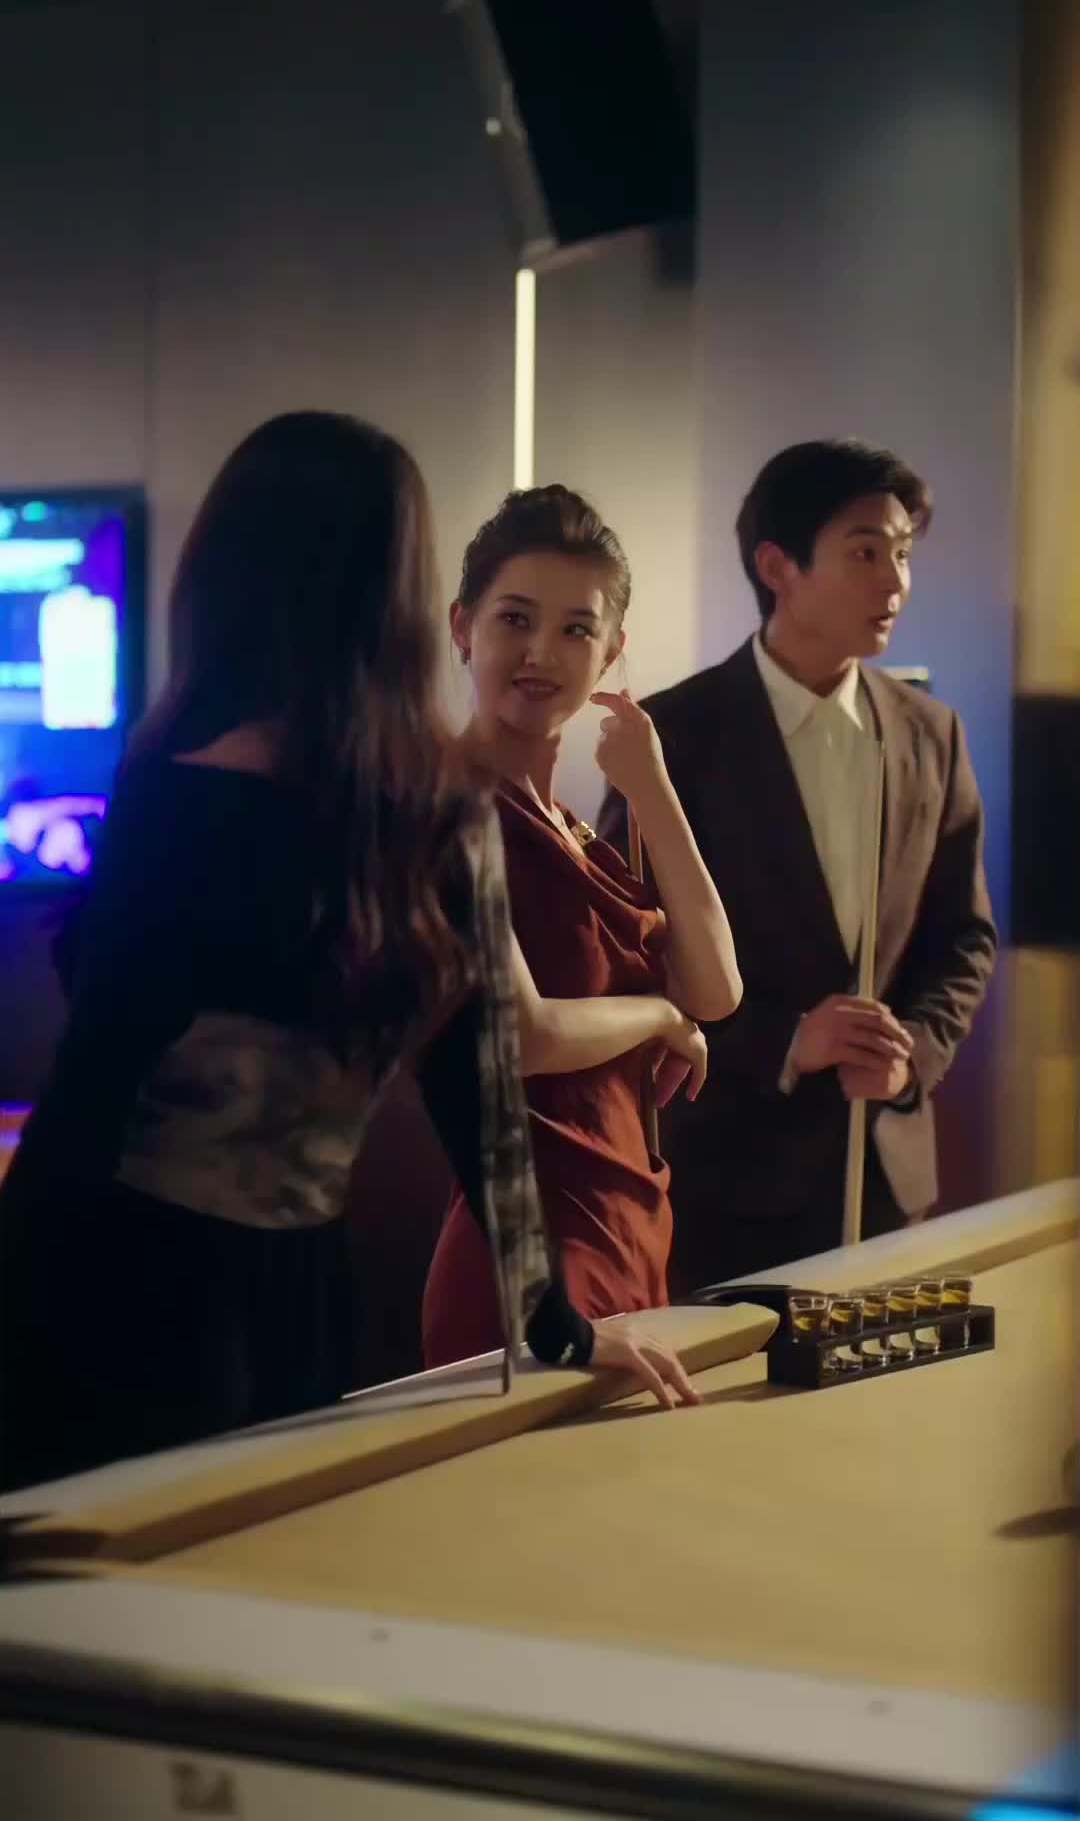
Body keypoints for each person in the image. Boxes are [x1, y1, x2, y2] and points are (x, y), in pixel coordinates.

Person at [0, 415, 700, 1494]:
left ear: (227, 575)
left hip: (141, 1291)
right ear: (405, 595)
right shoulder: (439, 812)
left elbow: (87, 1101)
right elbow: (483, 1101)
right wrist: (554, 1323)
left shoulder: (181, 788)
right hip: (293, 1297)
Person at [598, 438, 997, 1288]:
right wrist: (785, 1040)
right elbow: (634, 960)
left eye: (903, 554)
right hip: (730, 1185)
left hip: (887, 1177)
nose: (895, 583)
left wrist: (913, 1057)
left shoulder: (932, 732)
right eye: (865, 553)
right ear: (777, 566)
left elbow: (965, 938)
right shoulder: (675, 737)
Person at [422, 487, 742, 1366]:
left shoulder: (575, 827)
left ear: (612, 650)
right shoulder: (448, 808)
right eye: (515, 620)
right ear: (463, 626)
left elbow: (717, 988)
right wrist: (660, 1017)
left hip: (632, 1223)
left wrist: (653, 789)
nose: (541, 653)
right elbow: (521, 1036)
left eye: (575, 629)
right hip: (532, 1255)